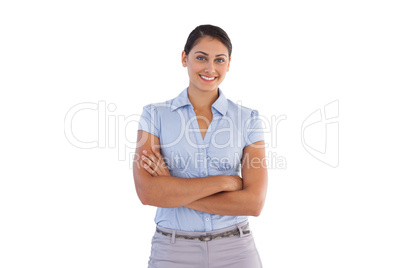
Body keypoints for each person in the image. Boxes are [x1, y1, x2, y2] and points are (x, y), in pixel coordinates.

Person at [133, 24, 268, 268]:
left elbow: (253, 203)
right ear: (185, 58)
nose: (210, 68)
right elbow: (148, 193)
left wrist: (171, 191)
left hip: (236, 251)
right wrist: (225, 182)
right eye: (201, 58)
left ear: (228, 64)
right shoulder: (154, 116)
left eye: (219, 60)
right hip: (172, 252)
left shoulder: (248, 120)